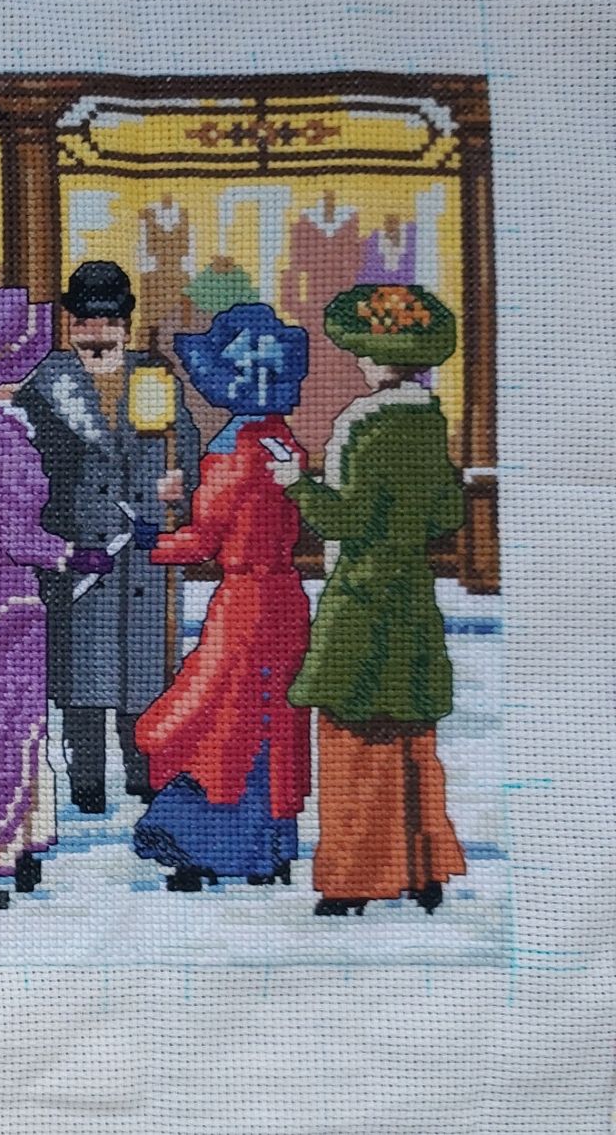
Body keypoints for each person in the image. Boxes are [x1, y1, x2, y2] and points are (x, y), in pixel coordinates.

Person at [268, 284, 466, 917]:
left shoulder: (366, 425)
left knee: (352, 743)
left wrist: (296, 483)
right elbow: (447, 513)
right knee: (412, 741)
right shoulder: (430, 423)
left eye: (363, 352)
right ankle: (424, 869)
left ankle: (354, 879)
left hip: (361, 598)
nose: (358, 362)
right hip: (411, 599)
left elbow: (346, 520)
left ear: (378, 360)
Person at [0, 289, 112, 910]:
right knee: (5, 732)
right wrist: (72, 554)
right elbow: (15, 532)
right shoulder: (1, 432)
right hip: (3, 604)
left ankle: (16, 843)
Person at [131, 303, 313, 891]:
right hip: (287, 600)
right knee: (271, 721)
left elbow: (203, 541)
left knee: (218, 720)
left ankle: (209, 845)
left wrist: (153, 538)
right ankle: (269, 847)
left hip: (245, 606)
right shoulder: (284, 443)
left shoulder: (233, 453)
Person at [16, 261, 199, 815]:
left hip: (144, 554)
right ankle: (87, 782)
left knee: (144, 672)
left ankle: (145, 773)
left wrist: (181, 485)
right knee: (82, 676)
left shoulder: (155, 379)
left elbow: (187, 447)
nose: (97, 334)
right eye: (86, 323)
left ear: (126, 326)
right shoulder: (44, 386)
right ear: (70, 325)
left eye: (109, 323)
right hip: (81, 553)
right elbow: (27, 472)